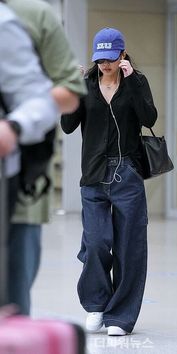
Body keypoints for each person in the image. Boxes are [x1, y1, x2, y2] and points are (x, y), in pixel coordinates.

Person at [61, 27, 158, 336]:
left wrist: (132, 83)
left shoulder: (136, 81)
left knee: (130, 247)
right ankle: (96, 305)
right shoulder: (86, 85)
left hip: (127, 173)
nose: (105, 65)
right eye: (100, 59)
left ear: (122, 55)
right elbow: (67, 125)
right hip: (92, 177)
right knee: (97, 241)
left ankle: (121, 317)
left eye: (110, 59)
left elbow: (149, 118)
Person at [5, 0, 87, 315]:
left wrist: (16, 124)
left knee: (10, 306)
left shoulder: (32, 15)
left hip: (17, 188)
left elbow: (69, 89)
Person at [0, 1, 60, 306]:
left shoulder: (5, 24)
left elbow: (41, 101)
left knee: (9, 299)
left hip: (9, 179)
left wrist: (14, 126)